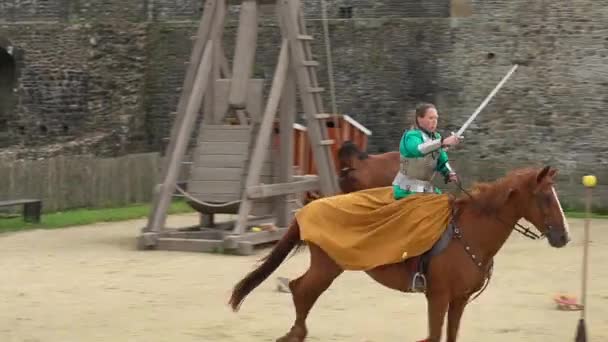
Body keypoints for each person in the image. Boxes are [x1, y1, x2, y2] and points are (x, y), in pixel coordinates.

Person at [392, 102, 461, 200]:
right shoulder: (410, 136)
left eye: (436, 118)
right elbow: (418, 149)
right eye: (431, 118)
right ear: (420, 119)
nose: (434, 121)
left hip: (427, 188)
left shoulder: (436, 137)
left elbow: (442, 161)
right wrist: (442, 142)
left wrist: (449, 173)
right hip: (406, 190)